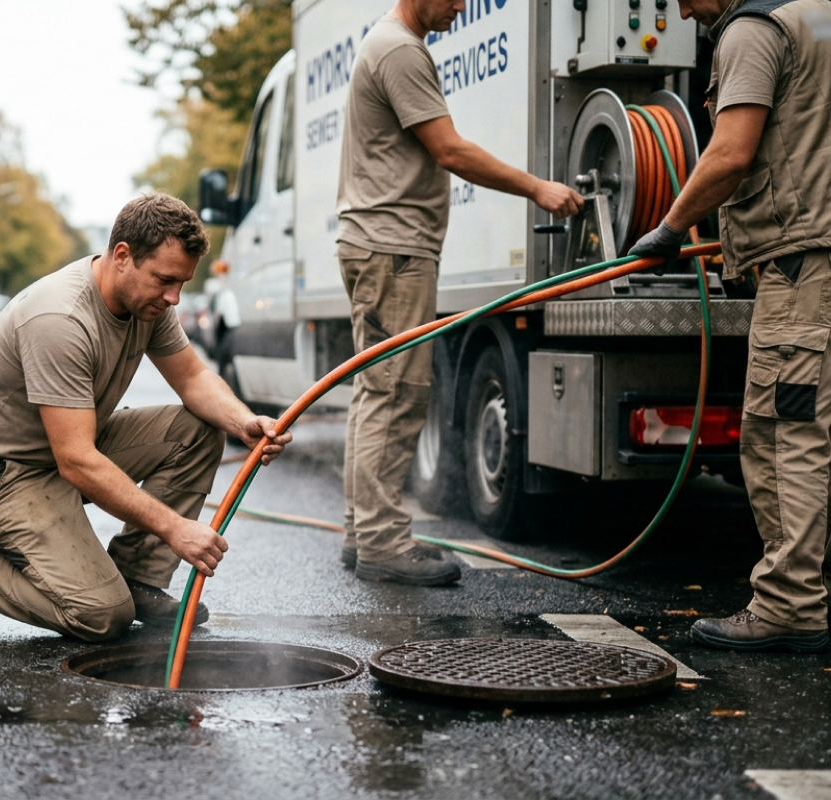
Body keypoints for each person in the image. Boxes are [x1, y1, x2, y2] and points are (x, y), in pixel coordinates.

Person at [0, 194, 291, 641]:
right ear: (122, 256)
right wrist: (176, 529)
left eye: (182, 284)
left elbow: (193, 378)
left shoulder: (146, 300)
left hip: (65, 449)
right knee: (101, 616)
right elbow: (77, 461)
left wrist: (244, 421)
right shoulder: (60, 318)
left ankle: (137, 577)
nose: (174, 297)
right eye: (165, 280)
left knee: (197, 430)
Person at [336, 0, 583, 585]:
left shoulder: (392, 43)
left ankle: (364, 531)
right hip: (393, 249)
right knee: (396, 394)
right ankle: (381, 544)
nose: (460, 8)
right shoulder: (399, 49)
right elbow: (449, 150)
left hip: (383, 246)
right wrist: (537, 188)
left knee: (378, 391)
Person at [629, 0, 831, 653]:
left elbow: (731, 153)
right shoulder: (816, 17)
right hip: (813, 255)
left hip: (804, 270)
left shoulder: (752, 29)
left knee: (783, 433)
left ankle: (790, 606)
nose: (682, 9)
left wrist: (667, 228)